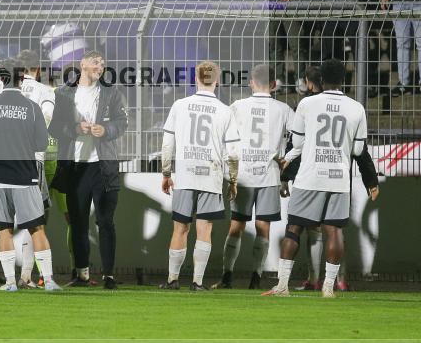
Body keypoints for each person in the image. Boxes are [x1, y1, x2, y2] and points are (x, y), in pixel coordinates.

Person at [264, 59, 377, 298]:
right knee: (333, 231)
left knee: (294, 229)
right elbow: (358, 150)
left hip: (309, 177)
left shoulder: (307, 104)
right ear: (344, 80)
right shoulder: (356, 108)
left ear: (321, 79)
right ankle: (328, 288)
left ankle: (282, 286)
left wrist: (288, 161)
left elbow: (298, 143)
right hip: (338, 179)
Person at [0, 58, 61, 292]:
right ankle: (49, 281)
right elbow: (41, 143)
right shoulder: (32, 107)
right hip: (26, 175)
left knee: (3, 229)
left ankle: (10, 282)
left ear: (0, 79)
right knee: (36, 227)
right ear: (22, 79)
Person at [50, 50, 128, 289]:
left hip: (103, 167)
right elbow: (54, 127)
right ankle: (82, 274)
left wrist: (106, 131)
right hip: (75, 168)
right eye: (96, 62)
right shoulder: (63, 94)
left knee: (105, 222)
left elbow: (121, 123)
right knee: (78, 222)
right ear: (82, 65)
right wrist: (74, 129)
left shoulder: (111, 92)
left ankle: (109, 276)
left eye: (103, 64)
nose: (100, 66)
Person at [159, 61, 240, 291]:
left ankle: (172, 280)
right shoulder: (225, 111)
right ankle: (197, 282)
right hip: (210, 175)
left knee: (180, 228)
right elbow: (233, 153)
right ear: (217, 80)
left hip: (184, 174)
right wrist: (232, 179)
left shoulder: (180, 105)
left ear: (195, 79)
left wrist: (166, 173)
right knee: (205, 229)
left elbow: (167, 144)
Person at [214, 65, 293, 290]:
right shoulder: (283, 109)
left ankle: (227, 276)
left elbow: (223, 134)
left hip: (243, 176)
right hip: (269, 176)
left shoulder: (238, 106)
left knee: (236, 226)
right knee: (263, 227)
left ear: (251, 82)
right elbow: (300, 136)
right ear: (273, 84)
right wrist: (284, 163)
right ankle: (256, 278)